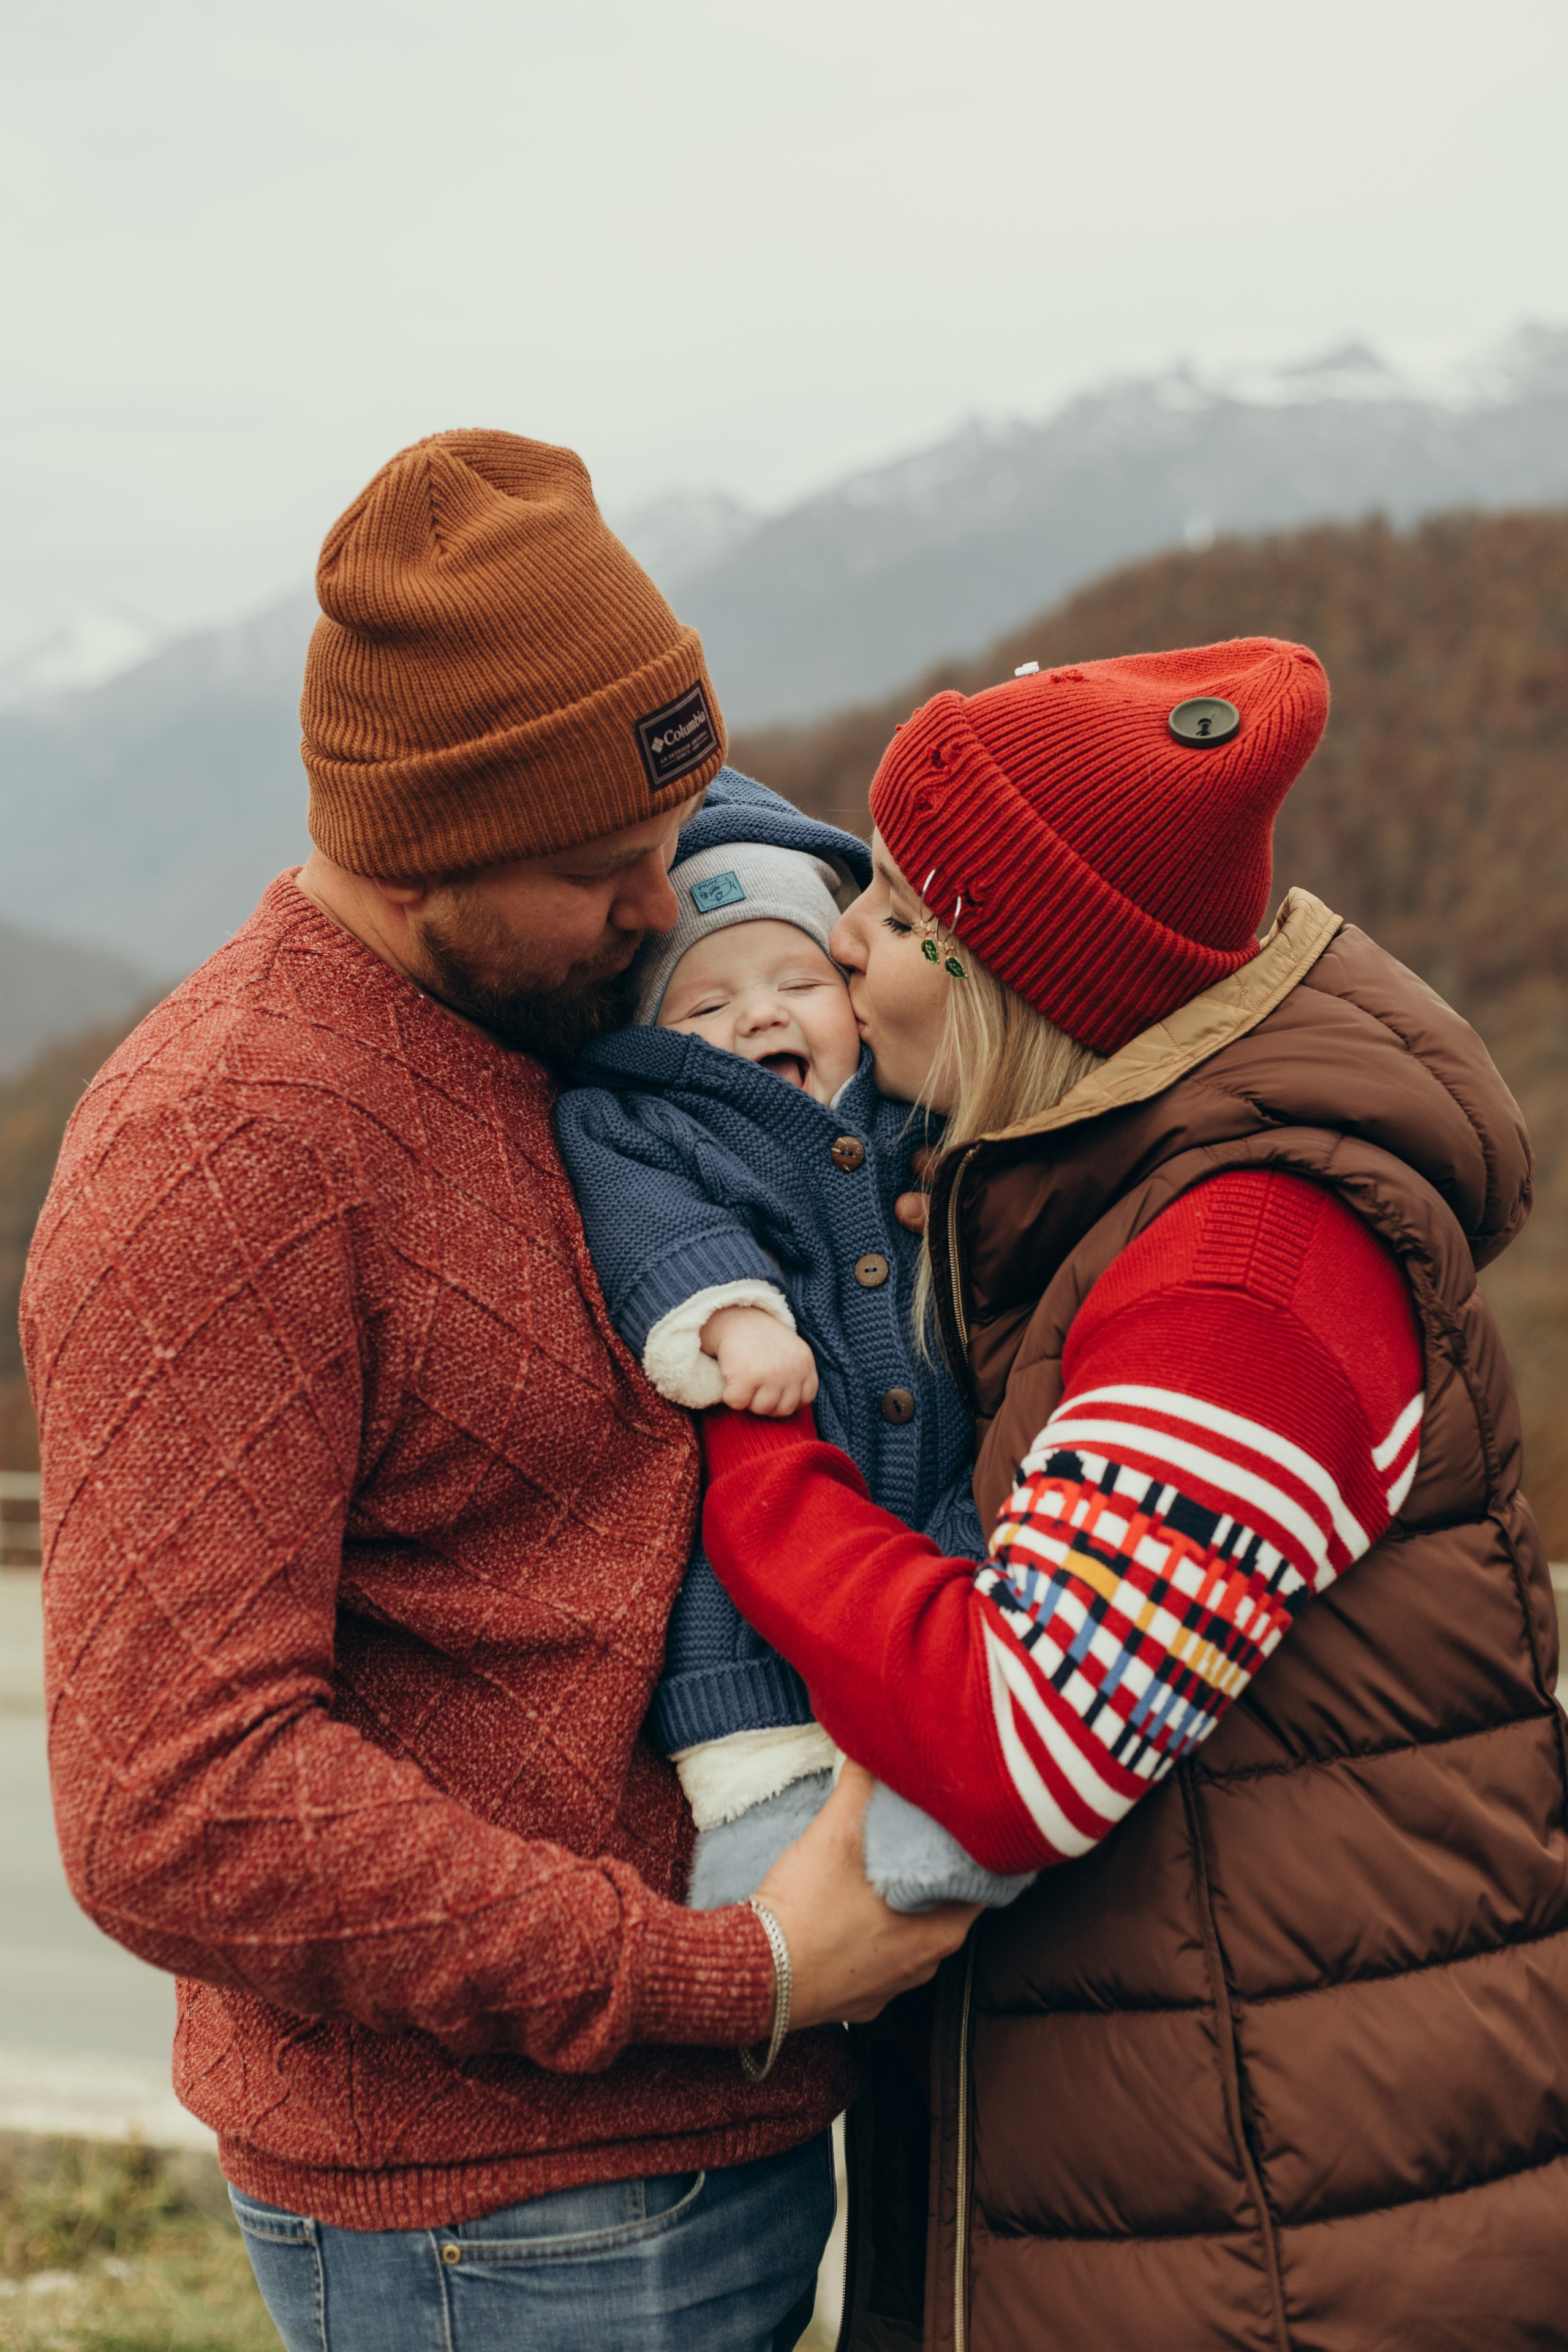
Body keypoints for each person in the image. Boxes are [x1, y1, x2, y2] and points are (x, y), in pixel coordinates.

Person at [18, 429, 971, 2352]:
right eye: (599, 870)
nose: (663, 909)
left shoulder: (544, 1017)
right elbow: (176, 1804)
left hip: (706, 2142)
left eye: (669, 838)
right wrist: (736, 1972)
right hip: (506, 2221)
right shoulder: (227, 1146)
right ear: (417, 852)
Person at [697, 639, 1568, 2350]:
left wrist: (747, 1444)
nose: (842, 940)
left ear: (1021, 986)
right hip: (1173, 2171)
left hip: (1282, 2240)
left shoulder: (1245, 1279)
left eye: (898, 917)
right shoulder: (1099, 1194)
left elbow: (1019, 1742)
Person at [554, 769, 1027, 1913]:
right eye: (705, 1007)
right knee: (762, 1757)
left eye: (799, 982)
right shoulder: (646, 1121)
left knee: (973, 1640)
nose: (761, 1017)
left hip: (944, 1504)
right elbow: (645, 1220)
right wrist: (730, 1315)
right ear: (652, 1039)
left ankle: (952, 1833)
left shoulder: (917, 1109)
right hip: (768, 1575)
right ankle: (773, 1877)